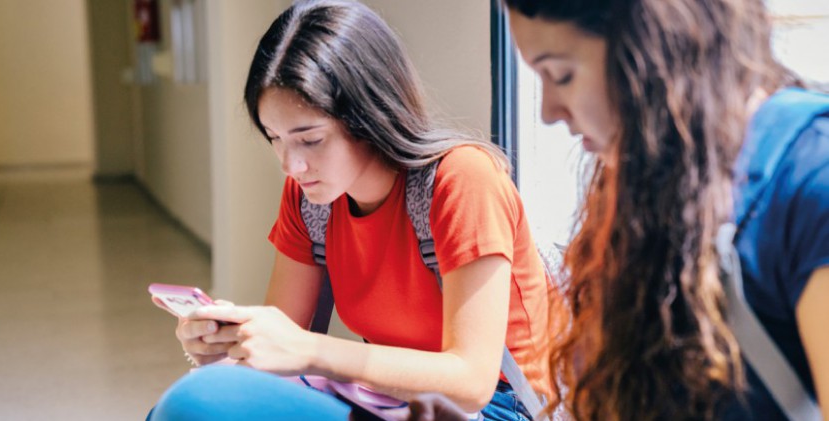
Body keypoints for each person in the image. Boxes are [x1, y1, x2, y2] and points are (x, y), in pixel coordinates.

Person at [414, 0, 829, 420]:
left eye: (561, 75)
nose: (548, 111)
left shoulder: (809, 178)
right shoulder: (644, 190)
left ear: (652, 45)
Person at [148, 0, 552, 420]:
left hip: (496, 409)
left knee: (192, 406)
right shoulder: (309, 200)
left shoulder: (463, 179)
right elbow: (282, 346)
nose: (291, 164)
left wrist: (310, 351)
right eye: (275, 138)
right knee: (196, 398)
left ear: (369, 115)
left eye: (310, 139)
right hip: (388, 398)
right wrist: (227, 346)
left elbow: (471, 383)